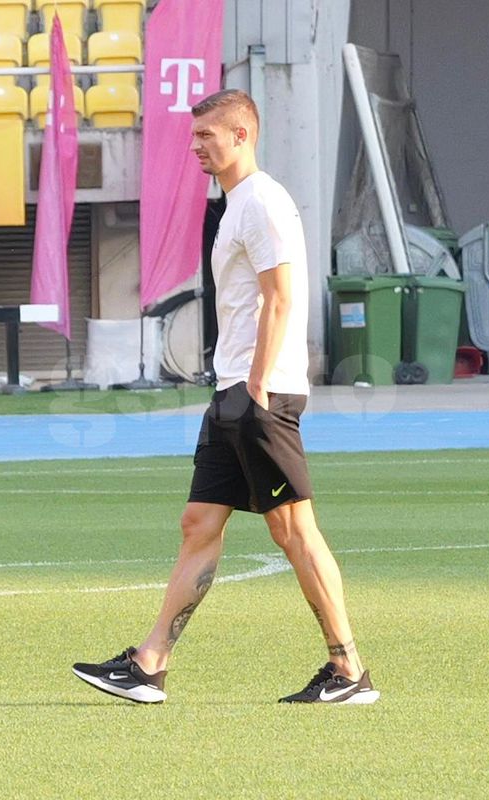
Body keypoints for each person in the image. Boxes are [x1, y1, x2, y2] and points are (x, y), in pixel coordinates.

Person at [72, 89, 378, 705]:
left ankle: (348, 672)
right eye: (194, 136)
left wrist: (257, 385)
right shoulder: (235, 205)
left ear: (242, 135)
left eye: (206, 135)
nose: (195, 146)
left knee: (294, 532)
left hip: (258, 391)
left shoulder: (263, 201)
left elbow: (281, 296)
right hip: (232, 390)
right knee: (198, 524)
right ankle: (148, 665)